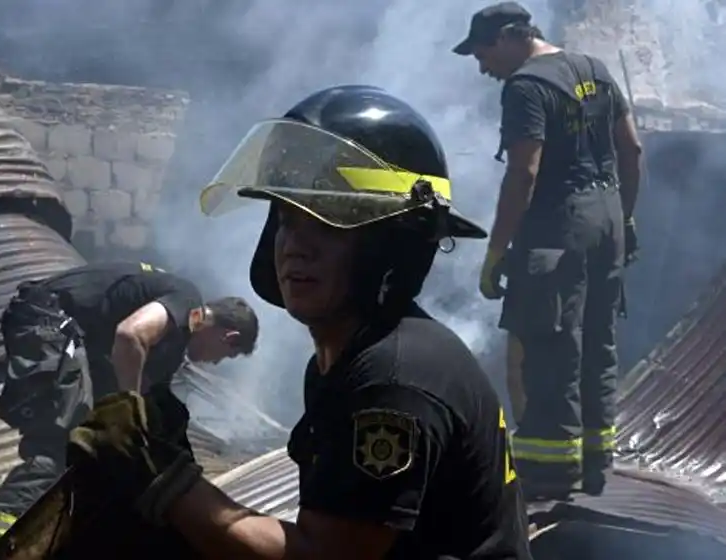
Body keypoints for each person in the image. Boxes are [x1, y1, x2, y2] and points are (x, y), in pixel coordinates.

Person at [65, 85, 534, 559]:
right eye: (287, 220)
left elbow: (322, 557)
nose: (295, 246)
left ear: (390, 245)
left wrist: (166, 480)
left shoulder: (394, 378)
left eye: (328, 224)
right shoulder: (348, 358)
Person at [454, 2, 643, 499]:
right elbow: (631, 149)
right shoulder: (594, 69)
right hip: (607, 217)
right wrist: (624, 217)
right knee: (598, 343)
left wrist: (496, 251)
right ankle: (595, 464)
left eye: (483, 54)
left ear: (509, 38)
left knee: (549, 347)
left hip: (559, 227)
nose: (482, 68)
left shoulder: (526, 86)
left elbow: (524, 172)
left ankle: (548, 474)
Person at [0, 261, 259, 555]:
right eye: (224, 356)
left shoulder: (171, 346)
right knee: (57, 446)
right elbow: (130, 335)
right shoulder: (187, 299)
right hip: (49, 320)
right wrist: (128, 406)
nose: (214, 363)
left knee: (89, 448)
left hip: (76, 337)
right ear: (229, 337)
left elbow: (154, 399)